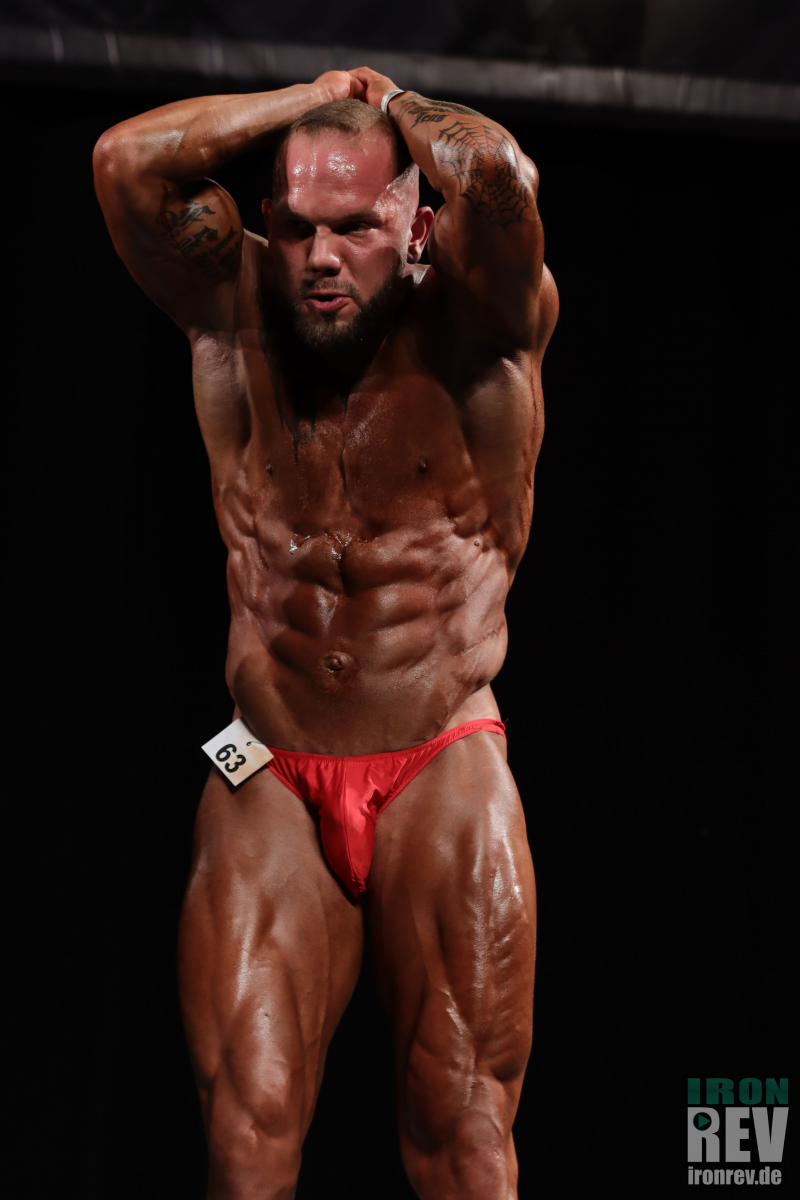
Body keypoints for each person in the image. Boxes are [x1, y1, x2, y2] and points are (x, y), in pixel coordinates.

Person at [94, 64, 558, 1200]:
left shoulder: (486, 319)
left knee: (462, 1134)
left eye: (355, 226)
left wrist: (391, 107)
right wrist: (302, 97)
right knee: (246, 1139)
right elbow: (122, 164)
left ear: (417, 227)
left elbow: (501, 178)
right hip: (268, 759)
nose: (319, 256)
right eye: (298, 225)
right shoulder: (232, 303)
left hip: (440, 757)